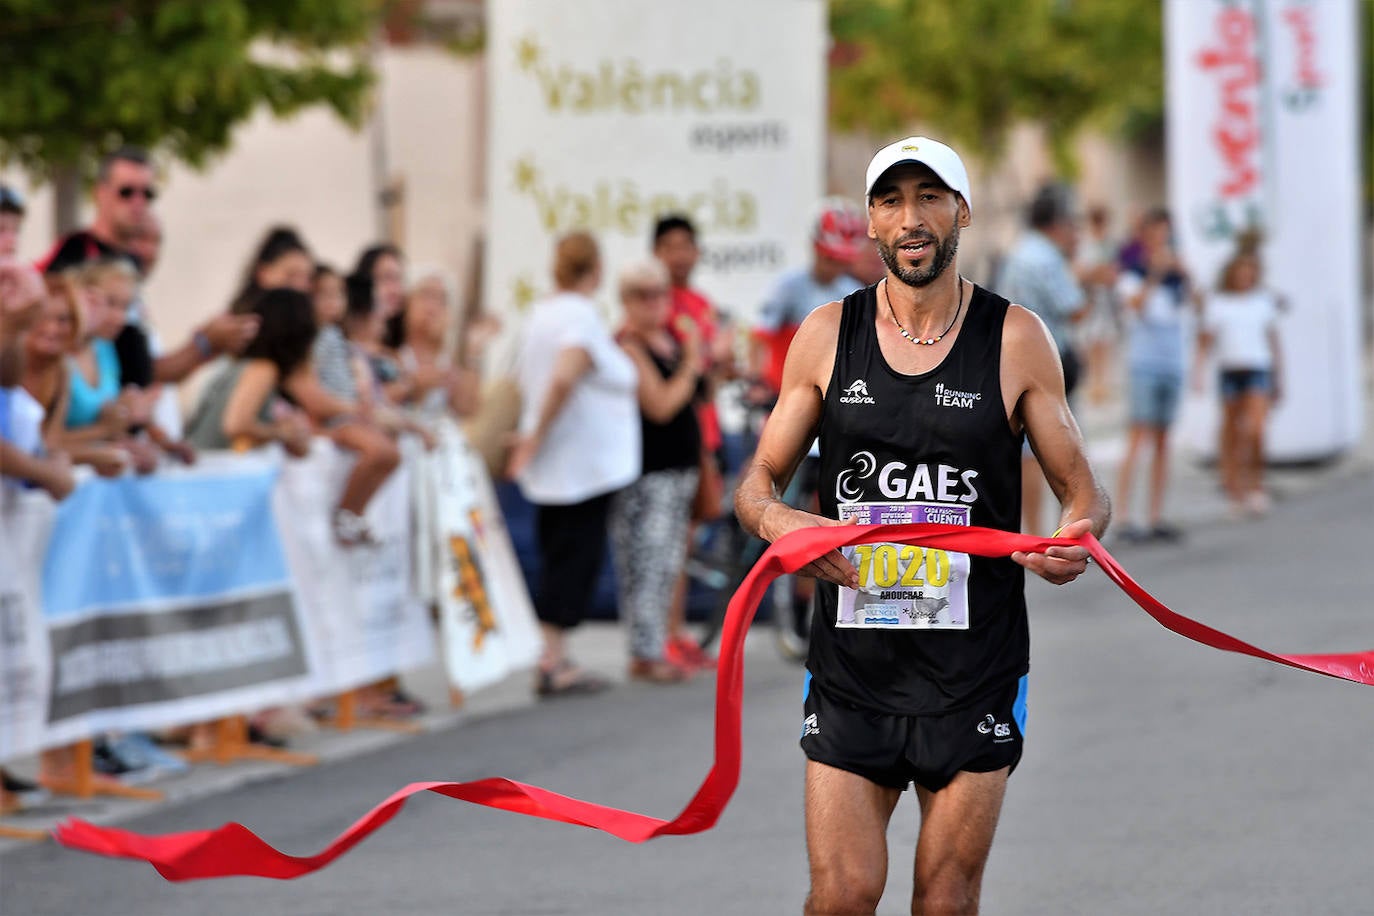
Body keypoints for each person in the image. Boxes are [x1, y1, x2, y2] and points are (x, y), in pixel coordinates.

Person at [734, 136, 1109, 916]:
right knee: (842, 895)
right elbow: (756, 486)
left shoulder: (1015, 339)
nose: (911, 218)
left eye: (930, 198)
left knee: (944, 900)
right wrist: (786, 525)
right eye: (891, 200)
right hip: (852, 668)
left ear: (961, 212)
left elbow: (1085, 493)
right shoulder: (826, 335)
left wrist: (1070, 536)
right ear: (872, 223)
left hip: (975, 669)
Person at [508, 231, 639, 697]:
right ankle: (553, 658)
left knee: (558, 555)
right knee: (572, 559)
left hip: (562, 464)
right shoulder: (579, 317)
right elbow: (564, 376)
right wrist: (534, 437)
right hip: (580, 467)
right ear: (595, 269)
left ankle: (553, 653)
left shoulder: (541, 314)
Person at [607, 260, 703, 683]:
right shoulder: (628, 346)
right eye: (642, 295)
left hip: (679, 470)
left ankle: (659, 642)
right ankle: (644, 653)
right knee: (645, 563)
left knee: (668, 562)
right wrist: (693, 363)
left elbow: (696, 394)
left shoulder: (669, 342)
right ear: (626, 301)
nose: (654, 303)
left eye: (660, 293)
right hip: (647, 474)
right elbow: (661, 404)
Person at [652, 214, 730, 670]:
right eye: (670, 246)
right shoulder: (657, 305)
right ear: (657, 253)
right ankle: (668, 635)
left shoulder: (703, 304)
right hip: (673, 439)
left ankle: (675, 632)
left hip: (706, 433)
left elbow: (710, 379)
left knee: (685, 538)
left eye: (687, 245)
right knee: (672, 541)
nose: (680, 255)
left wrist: (720, 363)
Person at [996, 182, 1091, 535]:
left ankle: (1030, 528)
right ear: (1056, 223)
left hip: (1011, 358)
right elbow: (1075, 308)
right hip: (1044, 360)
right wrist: (1087, 279)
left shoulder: (1020, 251)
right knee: (1047, 451)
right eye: (1070, 224)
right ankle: (1048, 531)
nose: (1074, 233)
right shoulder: (1046, 257)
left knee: (1024, 452)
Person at [1113, 208, 1198, 543]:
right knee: (1138, 438)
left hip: (1172, 363)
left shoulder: (1177, 277)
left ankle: (1155, 515)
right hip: (1143, 363)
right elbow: (1136, 306)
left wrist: (1186, 276)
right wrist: (1155, 273)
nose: (1163, 240)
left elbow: (1198, 307)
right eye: (1158, 233)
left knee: (1163, 440)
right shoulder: (1132, 272)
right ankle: (1122, 515)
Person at [1195, 236, 1282, 516]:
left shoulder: (1262, 301)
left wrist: (1279, 377)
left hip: (1257, 369)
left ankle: (1256, 483)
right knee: (1232, 431)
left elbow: (1272, 341)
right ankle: (1234, 486)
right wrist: (1199, 371)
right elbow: (1206, 341)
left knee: (1256, 430)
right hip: (1231, 370)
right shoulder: (1219, 303)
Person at [751, 198, 866, 398]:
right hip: (781, 393)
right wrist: (756, 382)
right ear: (814, 247)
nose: (834, 269)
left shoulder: (853, 292)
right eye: (829, 259)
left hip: (830, 393)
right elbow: (759, 340)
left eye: (842, 262)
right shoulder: (787, 287)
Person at [183, 288, 315, 456]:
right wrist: (281, 432)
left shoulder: (238, 363)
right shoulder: (263, 369)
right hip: (210, 468)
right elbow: (236, 425)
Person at [1076, 205, 1122, 404]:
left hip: (1106, 299)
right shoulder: (1087, 244)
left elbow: (1113, 271)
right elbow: (1085, 271)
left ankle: (1102, 382)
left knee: (1104, 341)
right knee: (1092, 341)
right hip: (1091, 297)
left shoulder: (1108, 244)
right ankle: (1094, 383)